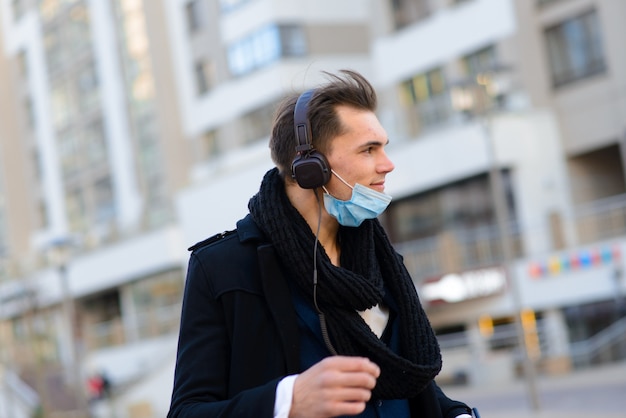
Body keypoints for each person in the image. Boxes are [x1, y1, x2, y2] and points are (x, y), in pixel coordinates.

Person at [167, 69, 477, 418]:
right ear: (310, 167)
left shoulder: (383, 260)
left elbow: (405, 382)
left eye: (383, 148)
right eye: (368, 150)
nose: (387, 165)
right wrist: (288, 401)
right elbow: (186, 412)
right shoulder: (223, 268)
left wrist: (457, 415)